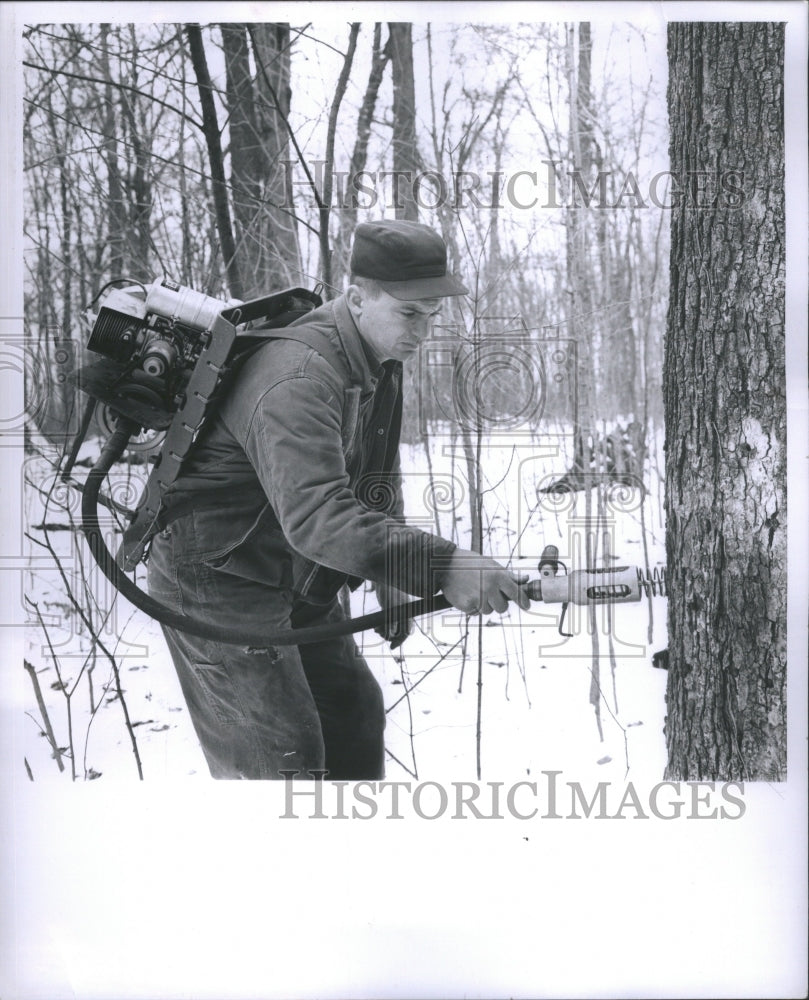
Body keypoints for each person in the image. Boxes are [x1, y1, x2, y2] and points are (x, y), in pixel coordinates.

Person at [147, 220, 529, 780]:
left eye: (431, 316)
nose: (422, 331)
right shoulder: (299, 377)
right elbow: (321, 518)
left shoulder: (379, 362)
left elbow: (376, 475)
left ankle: (351, 861)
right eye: (409, 313)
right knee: (282, 763)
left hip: (285, 563)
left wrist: (391, 575)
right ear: (357, 297)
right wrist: (442, 564)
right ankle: (284, 866)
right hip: (214, 576)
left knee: (353, 712)